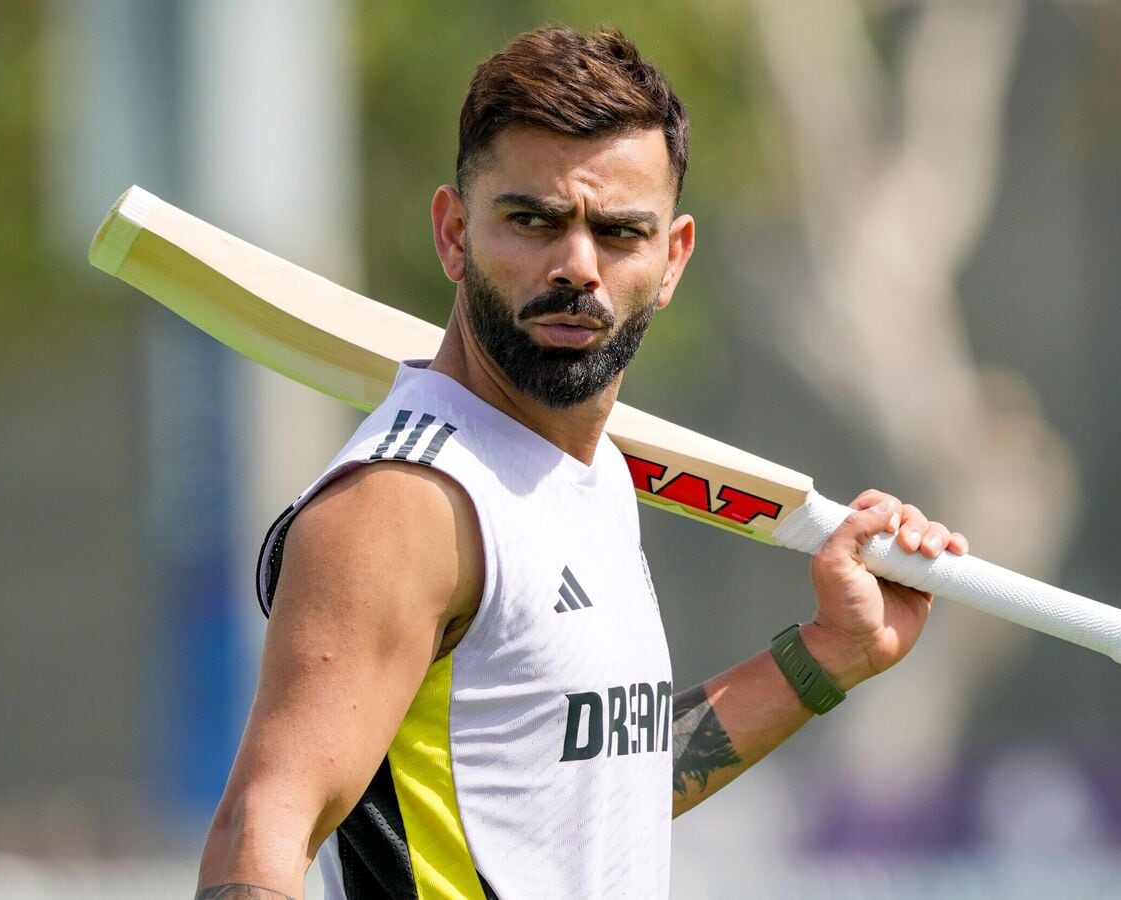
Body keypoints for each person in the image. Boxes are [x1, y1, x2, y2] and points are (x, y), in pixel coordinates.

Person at [195, 25, 967, 900]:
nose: (576, 266)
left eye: (618, 232)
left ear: (671, 257)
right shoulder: (406, 504)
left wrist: (829, 654)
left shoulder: (588, 473)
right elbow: (257, 836)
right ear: (454, 233)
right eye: (533, 220)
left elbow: (595, 791)